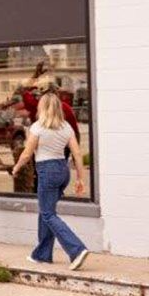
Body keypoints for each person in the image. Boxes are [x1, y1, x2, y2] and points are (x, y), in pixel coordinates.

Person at [12, 92, 91, 271]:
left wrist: (16, 167)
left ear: (42, 107)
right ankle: (42, 254)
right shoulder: (66, 127)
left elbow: (27, 153)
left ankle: (77, 249)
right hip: (63, 171)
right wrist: (80, 178)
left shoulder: (38, 127)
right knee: (46, 211)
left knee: (48, 214)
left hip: (47, 171)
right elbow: (77, 153)